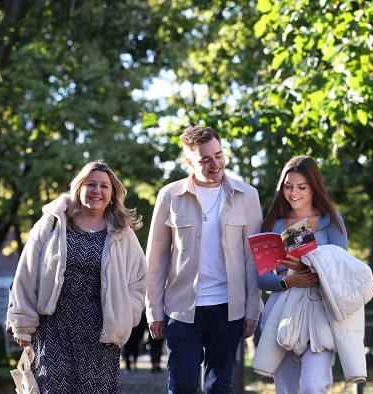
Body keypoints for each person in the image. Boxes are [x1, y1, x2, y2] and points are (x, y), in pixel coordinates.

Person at [7, 159, 148, 393]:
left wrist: (126, 315)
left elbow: (139, 281)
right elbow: (26, 273)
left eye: (104, 186)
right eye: (90, 184)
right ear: (79, 188)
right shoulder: (53, 224)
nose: (97, 191)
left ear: (112, 194)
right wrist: (23, 323)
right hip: (53, 330)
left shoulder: (123, 233)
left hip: (102, 336)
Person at [145, 126, 264, 393]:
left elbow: (252, 259)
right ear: (189, 162)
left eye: (219, 155)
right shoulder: (169, 196)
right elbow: (156, 258)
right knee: (181, 386)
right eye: (205, 159)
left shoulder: (248, 196)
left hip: (228, 309)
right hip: (181, 310)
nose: (215, 164)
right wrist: (153, 310)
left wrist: (253, 309)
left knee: (219, 386)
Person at [257, 156, 348, 394]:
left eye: (301, 187)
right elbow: (262, 278)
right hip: (282, 312)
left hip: (320, 311)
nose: (293, 193)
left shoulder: (332, 222)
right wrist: (288, 280)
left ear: (313, 187)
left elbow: (343, 272)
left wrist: (307, 268)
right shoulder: (274, 225)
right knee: (286, 388)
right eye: (288, 186)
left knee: (312, 385)